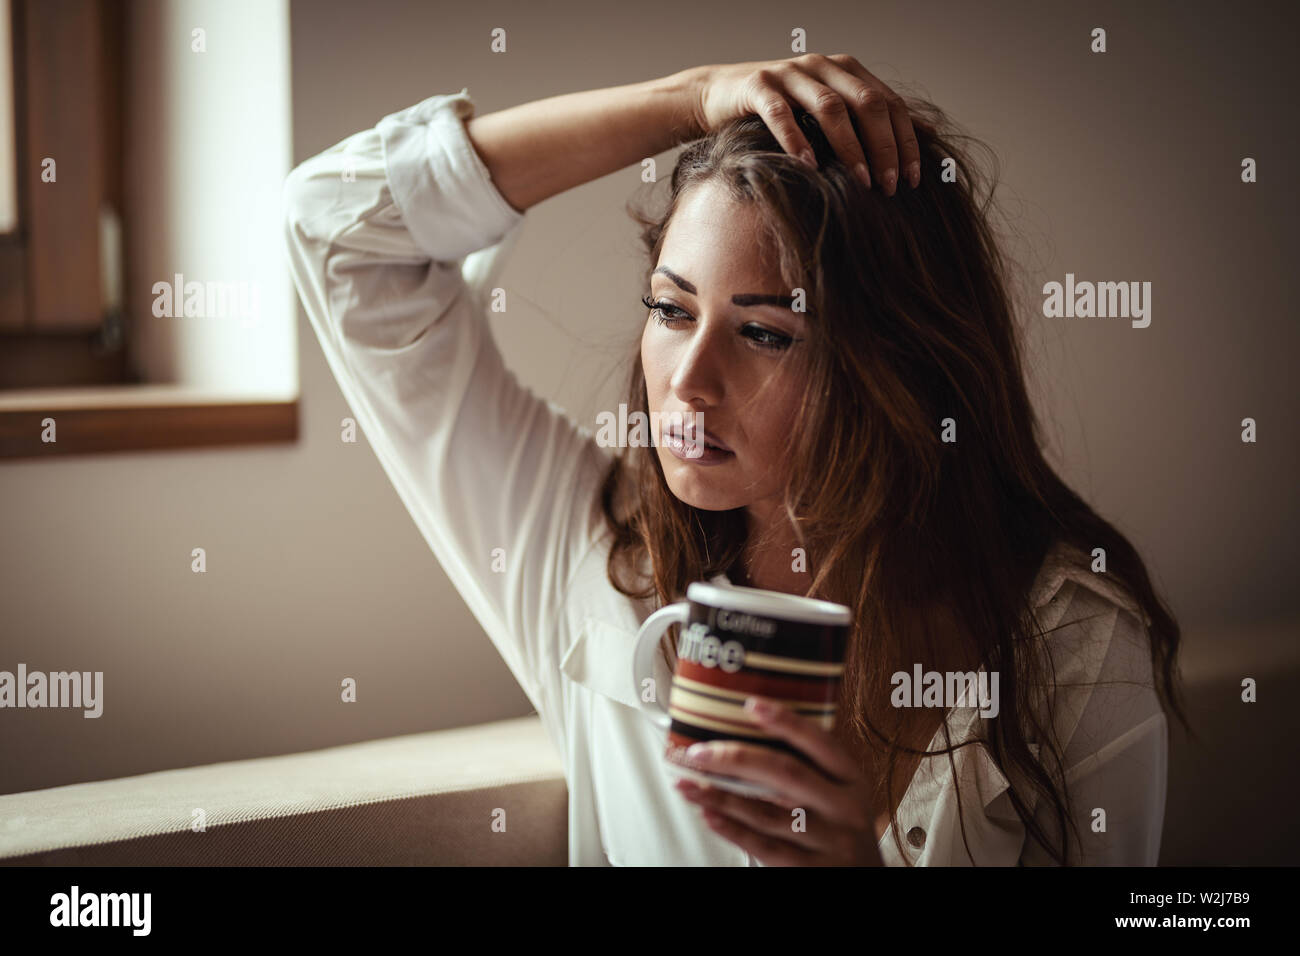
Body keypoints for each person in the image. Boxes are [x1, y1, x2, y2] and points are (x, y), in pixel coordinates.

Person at [282, 54, 1186, 866]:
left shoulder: (1070, 643)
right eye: (672, 311)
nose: (691, 380)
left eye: (763, 332)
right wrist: (686, 98)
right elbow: (337, 226)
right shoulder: (590, 553)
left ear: (897, 367)